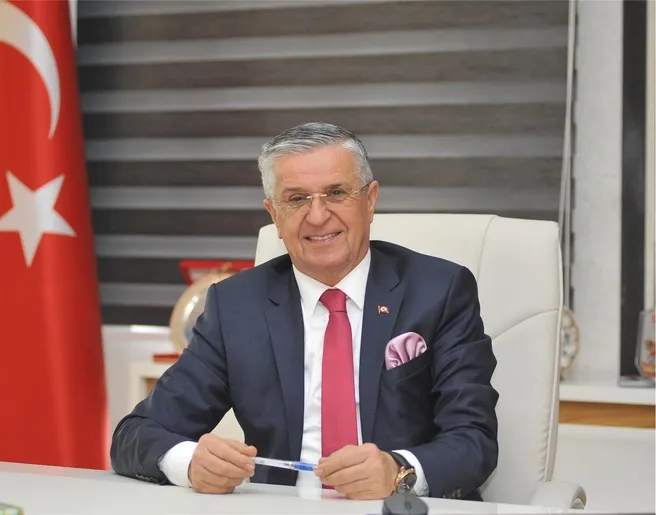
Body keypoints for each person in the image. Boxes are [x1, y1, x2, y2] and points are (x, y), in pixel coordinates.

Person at [110, 122, 499, 501]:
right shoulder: (236, 306)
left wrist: (398, 472)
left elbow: (474, 440)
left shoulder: (438, 291)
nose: (317, 216)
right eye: (296, 199)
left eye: (336, 193)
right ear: (274, 214)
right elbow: (135, 435)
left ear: (370, 200)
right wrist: (191, 462)